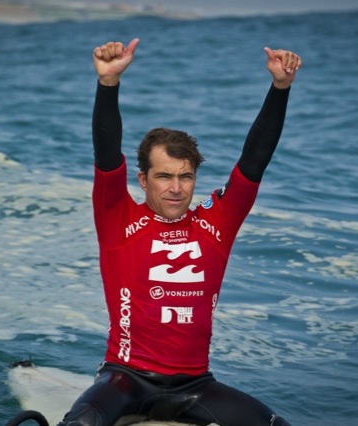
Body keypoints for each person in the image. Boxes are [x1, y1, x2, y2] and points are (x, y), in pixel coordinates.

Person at [58, 38, 302, 426]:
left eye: (185, 177)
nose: (176, 188)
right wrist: (108, 83)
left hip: (196, 386)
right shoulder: (116, 216)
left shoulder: (217, 223)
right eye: (164, 177)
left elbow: (255, 159)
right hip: (126, 379)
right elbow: (106, 153)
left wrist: (280, 88)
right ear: (143, 179)